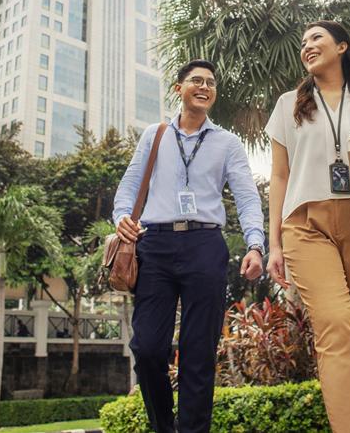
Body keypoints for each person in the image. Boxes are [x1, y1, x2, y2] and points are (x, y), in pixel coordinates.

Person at [113, 59, 265, 433]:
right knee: (147, 348)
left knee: (198, 354)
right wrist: (120, 218)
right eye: (196, 80)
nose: (204, 86)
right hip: (155, 244)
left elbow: (246, 197)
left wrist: (255, 244)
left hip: (205, 245)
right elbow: (131, 184)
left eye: (211, 82)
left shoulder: (227, 142)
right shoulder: (156, 134)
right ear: (178, 88)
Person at [265, 21, 350, 433]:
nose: (307, 46)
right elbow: (280, 177)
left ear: (342, 45)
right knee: (337, 328)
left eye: (316, 39)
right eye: (303, 42)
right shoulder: (289, 103)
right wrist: (275, 244)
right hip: (307, 224)